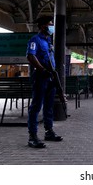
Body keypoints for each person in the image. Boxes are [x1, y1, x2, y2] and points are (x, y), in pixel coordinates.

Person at [26, 15, 63, 148]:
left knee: (49, 106)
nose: (52, 27)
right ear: (43, 26)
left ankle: (49, 131)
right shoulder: (35, 40)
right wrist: (42, 69)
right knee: (36, 106)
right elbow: (30, 56)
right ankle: (32, 136)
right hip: (41, 76)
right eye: (50, 24)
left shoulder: (48, 42)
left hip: (50, 77)